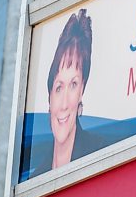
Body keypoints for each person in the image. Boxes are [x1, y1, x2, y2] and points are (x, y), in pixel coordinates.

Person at [31, 9, 107, 177]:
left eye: (73, 84)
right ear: (49, 96)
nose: (64, 104)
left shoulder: (99, 153)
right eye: (59, 87)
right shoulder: (36, 179)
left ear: (82, 90)